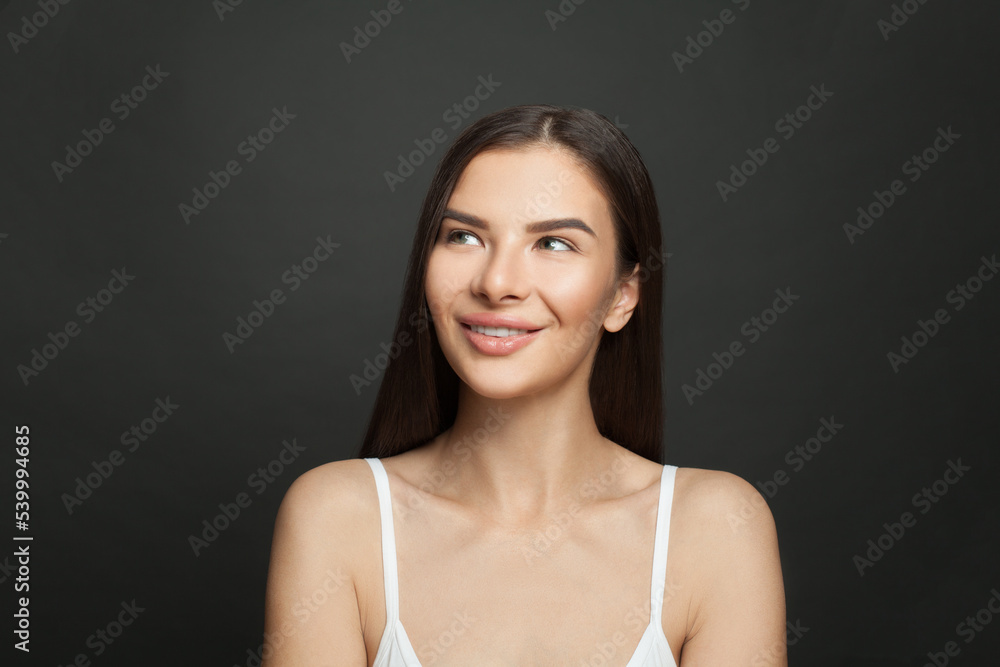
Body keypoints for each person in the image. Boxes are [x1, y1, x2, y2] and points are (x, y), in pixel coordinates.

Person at [262, 104, 786, 666]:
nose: (496, 282)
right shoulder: (339, 518)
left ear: (622, 297)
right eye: (464, 236)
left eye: (554, 243)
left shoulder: (716, 529)